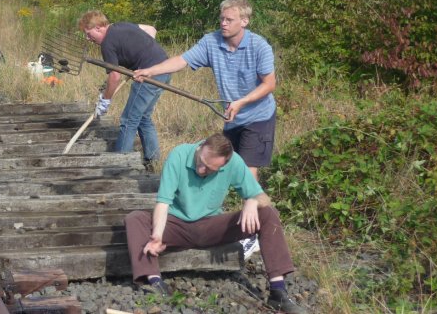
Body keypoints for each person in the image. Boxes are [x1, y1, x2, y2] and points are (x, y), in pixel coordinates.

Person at [134, 0, 277, 258]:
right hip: (232, 118)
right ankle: (225, 221)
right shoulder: (212, 42)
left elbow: (269, 84)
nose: (223, 23)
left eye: (229, 19)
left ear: (244, 21)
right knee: (223, 165)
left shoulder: (259, 46)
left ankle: (253, 233)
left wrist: (242, 102)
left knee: (247, 169)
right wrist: (151, 71)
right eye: (221, 18)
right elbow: (183, 60)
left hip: (258, 115)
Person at [124, 133, 307, 313]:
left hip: (211, 226)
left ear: (224, 165)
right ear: (201, 147)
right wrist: (156, 235)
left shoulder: (234, 161)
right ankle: (154, 282)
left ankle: (278, 291)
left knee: (268, 213)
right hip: (176, 224)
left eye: (210, 169)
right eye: (201, 163)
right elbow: (163, 203)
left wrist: (252, 201)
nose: (202, 170)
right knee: (135, 218)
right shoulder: (178, 155)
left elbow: (262, 197)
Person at [78, 10, 170, 170]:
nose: (88, 38)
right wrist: (144, 51)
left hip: (149, 76)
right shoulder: (120, 26)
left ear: (99, 28)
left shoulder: (107, 44)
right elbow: (151, 29)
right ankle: (153, 161)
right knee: (143, 117)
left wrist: (105, 101)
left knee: (129, 120)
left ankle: (120, 166)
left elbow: (115, 76)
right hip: (165, 69)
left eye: (88, 33)